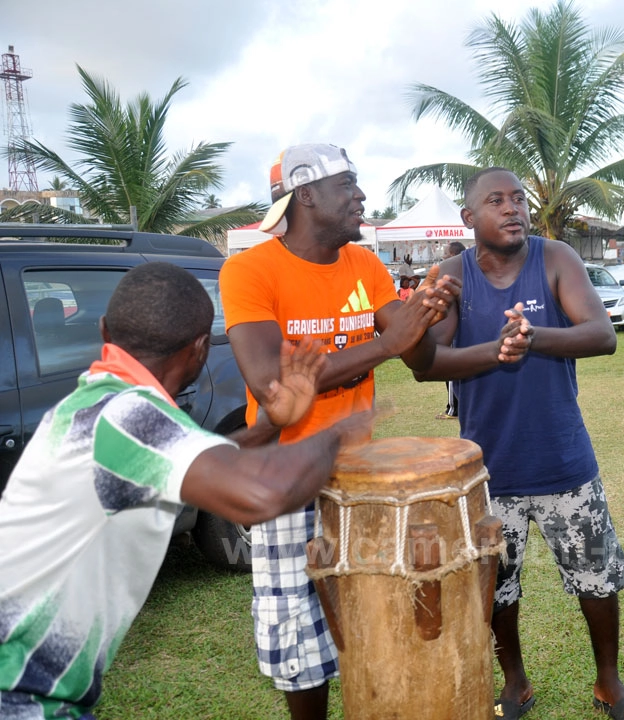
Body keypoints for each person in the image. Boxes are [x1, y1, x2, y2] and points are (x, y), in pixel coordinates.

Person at [0, 262, 369, 719]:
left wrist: (272, 423)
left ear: (103, 330)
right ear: (199, 349)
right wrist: (339, 433)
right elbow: (263, 495)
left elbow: (198, 458)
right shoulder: (129, 416)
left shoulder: (98, 401)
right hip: (18, 696)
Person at [219, 144, 458, 720]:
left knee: (370, 607)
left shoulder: (365, 266)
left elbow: (418, 358)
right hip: (286, 475)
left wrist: (425, 314)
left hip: (360, 474)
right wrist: (385, 343)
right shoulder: (250, 270)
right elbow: (269, 379)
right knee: (299, 630)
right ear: (306, 196)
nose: (361, 197)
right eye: (348, 185)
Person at [413, 167, 624, 720]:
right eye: (496, 201)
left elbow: (602, 335)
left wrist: (532, 338)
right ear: (469, 219)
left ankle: (608, 681)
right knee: (497, 589)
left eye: (518, 198)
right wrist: (493, 349)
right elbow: (426, 362)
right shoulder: (451, 274)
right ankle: (514, 682)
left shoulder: (554, 258)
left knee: (597, 578)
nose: (512, 208)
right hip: (487, 470)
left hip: (564, 460)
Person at [437, 240, 468, 419]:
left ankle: (453, 409)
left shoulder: (455, 275)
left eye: (447, 255)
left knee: (451, 374)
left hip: (457, 334)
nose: (444, 258)